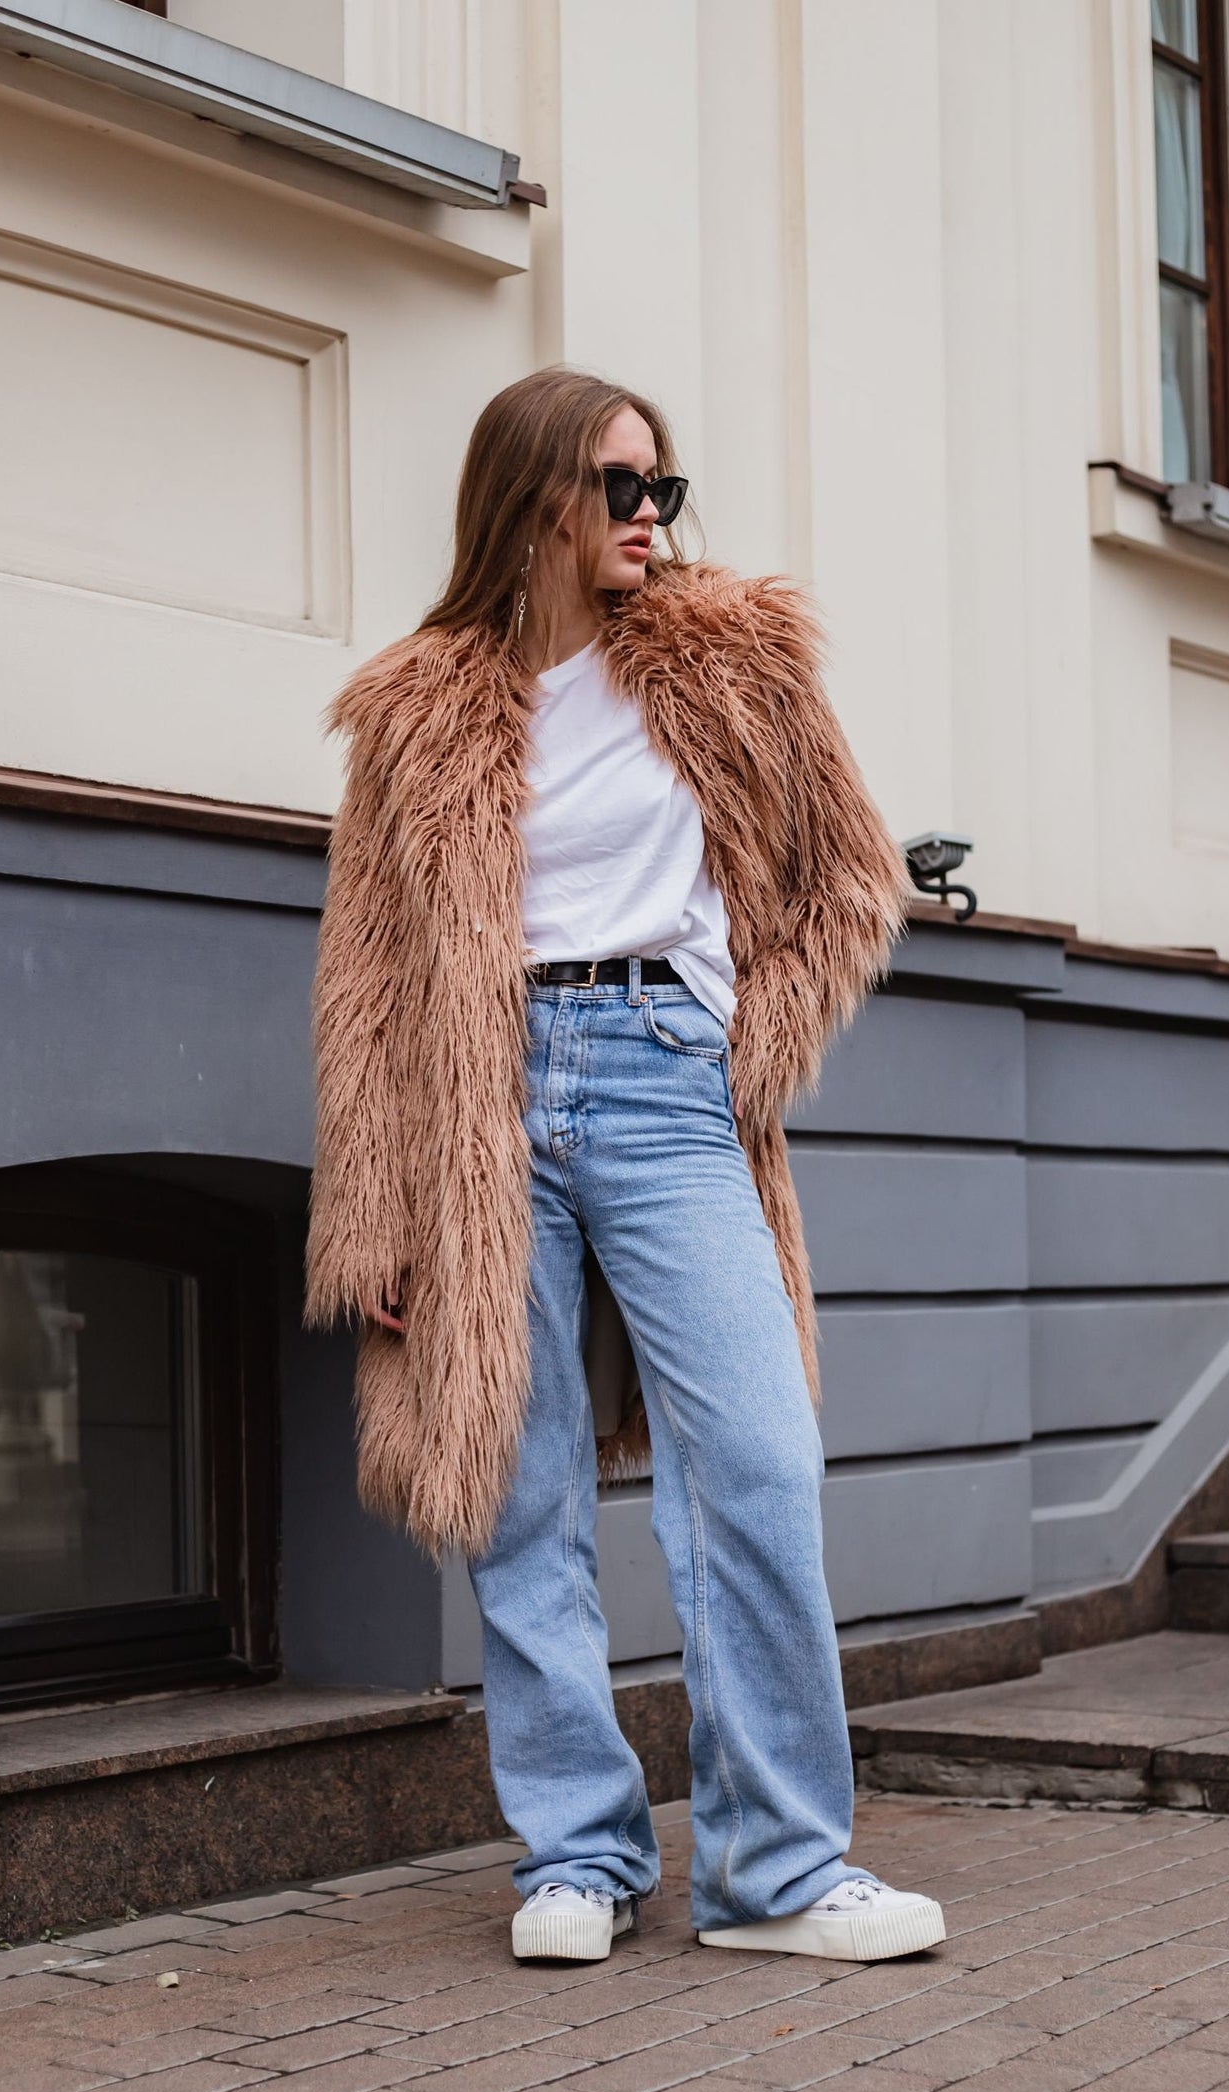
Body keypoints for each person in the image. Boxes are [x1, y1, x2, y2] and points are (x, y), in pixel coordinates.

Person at [305, 366, 945, 1966]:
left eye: (661, 487)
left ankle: (772, 1871)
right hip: (482, 1108)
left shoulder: (734, 662)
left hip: (667, 1084)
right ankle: (575, 1856)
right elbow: (369, 972)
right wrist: (377, 1204)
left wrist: (742, 1047)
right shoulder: (415, 707)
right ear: (533, 498)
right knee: (519, 1500)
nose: (650, 517)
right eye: (617, 486)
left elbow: (850, 884)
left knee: (755, 1467)